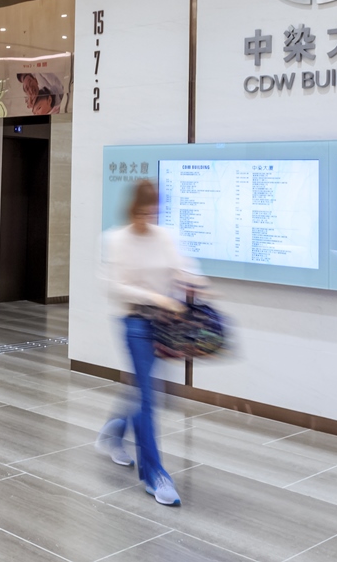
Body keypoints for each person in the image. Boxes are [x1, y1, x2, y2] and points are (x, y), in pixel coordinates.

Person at [96, 179, 206, 507]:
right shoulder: (115, 239)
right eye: (142, 212)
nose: (147, 218)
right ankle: (154, 475)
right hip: (134, 323)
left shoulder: (165, 236)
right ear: (132, 210)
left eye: (153, 212)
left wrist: (196, 283)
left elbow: (184, 267)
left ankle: (115, 431)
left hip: (164, 324)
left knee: (145, 391)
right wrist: (156, 297)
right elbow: (115, 286)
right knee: (147, 396)